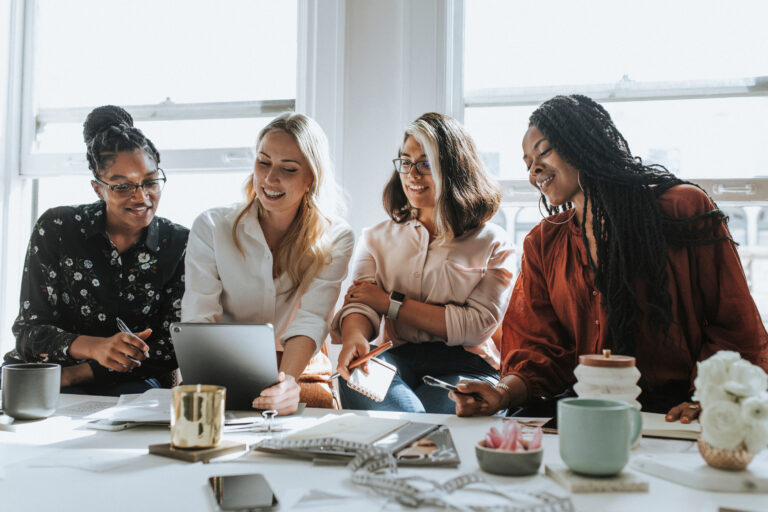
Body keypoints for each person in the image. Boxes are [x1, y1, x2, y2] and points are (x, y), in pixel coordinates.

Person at [452, 94, 768, 420]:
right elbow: (540, 351)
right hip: (584, 408)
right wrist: (501, 394)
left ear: (583, 143)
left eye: (544, 151)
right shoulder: (543, 243)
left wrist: (711, 400)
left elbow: (734, 323)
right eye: (528, 162)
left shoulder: (681, 208)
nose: (535, 169)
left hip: (673, 409)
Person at [332, 112, 515, 414]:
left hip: (467, 366)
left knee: (429, 421)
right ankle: (415, 447)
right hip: (396, 357)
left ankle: (410, 445)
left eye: (426, 163)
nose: (412, 174)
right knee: (357, 378)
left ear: (454, 169)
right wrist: (354, 335)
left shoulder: (493, 243)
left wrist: (390, 304)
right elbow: (360, 303)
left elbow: (475, 326)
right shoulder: (375, 237)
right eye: (405, 162)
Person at [4, 105, 189, 395]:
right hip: (41, 381)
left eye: (151, 182)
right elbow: (29, 333)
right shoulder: (57, 228)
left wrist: (78, 374)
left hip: (129, 387)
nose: (141, 197)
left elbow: (174, 345)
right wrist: (96, 347)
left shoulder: (179, 243)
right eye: (121, 187)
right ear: (98, 188)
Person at [181, 112, 354, 415]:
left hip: (298, 362)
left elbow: (311, 319)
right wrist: (210, 382)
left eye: (288, 169)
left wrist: (286, 384)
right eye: (263, 162)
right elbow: (199, 318)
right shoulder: (211, 226)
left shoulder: (336, 236)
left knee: (308, 408)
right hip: (222, 361)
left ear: (310, 177)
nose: (270, 178)